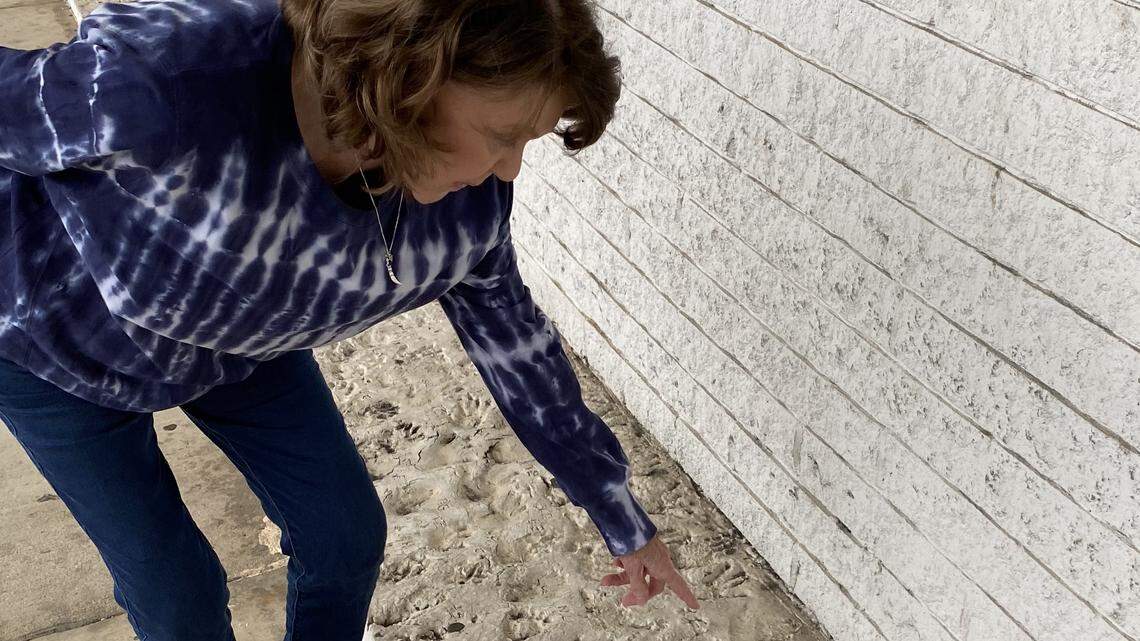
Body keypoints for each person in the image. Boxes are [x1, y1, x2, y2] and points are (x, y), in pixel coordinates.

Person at [0, 0, 700, 638]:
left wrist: (620, 516)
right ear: (405, 77)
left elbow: (520, 350)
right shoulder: (161, 87)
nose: (510, 170)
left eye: (530, 142)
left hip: (240, 345)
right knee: (178, 590)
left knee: (344, 535)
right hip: (54, 353)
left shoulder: (469, 215)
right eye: (500, 135)